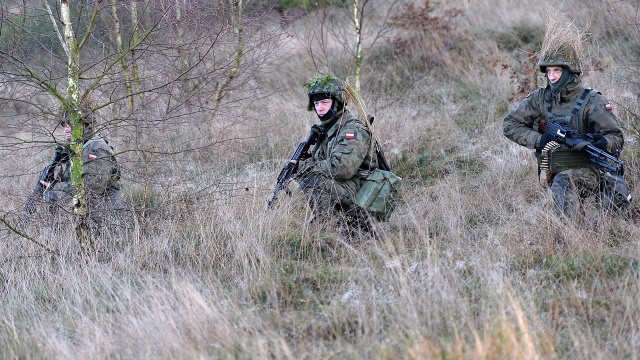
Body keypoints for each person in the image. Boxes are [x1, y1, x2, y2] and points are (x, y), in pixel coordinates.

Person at [503, 20, 624, 220]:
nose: (551, 77)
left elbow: (616, 137)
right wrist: (538, 140)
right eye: (548, 71)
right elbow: (510, 124)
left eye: (557, 71)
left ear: (569, 72)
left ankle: (566, 240)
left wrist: (602, 142)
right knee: (561, 182)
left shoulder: (592, 101)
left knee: (564, 183)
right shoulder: (540, 97)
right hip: (553, 170)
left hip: (589, 171)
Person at [293, 74, 379, 237]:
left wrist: (305, 166)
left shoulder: (352, 130)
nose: (319, 108)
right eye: (316, 103)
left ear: (338, 102)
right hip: (347, 188)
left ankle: (334, 228)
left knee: (314, 179)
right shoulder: (328, 130)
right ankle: (331, 225)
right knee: (309, 177)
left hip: (363, 193)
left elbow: (342, 168)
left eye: (325, 102)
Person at [41, 104, 125, 226]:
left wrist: (56, 187)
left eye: (70, 124)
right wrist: (57, 177)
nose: (66, 129)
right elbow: (75, 179)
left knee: (52, 195)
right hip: (92, 210)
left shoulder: (95, 147)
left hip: (106, 215)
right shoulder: (77, 147)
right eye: (64, 125)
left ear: (84, 125)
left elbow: (92, 188)